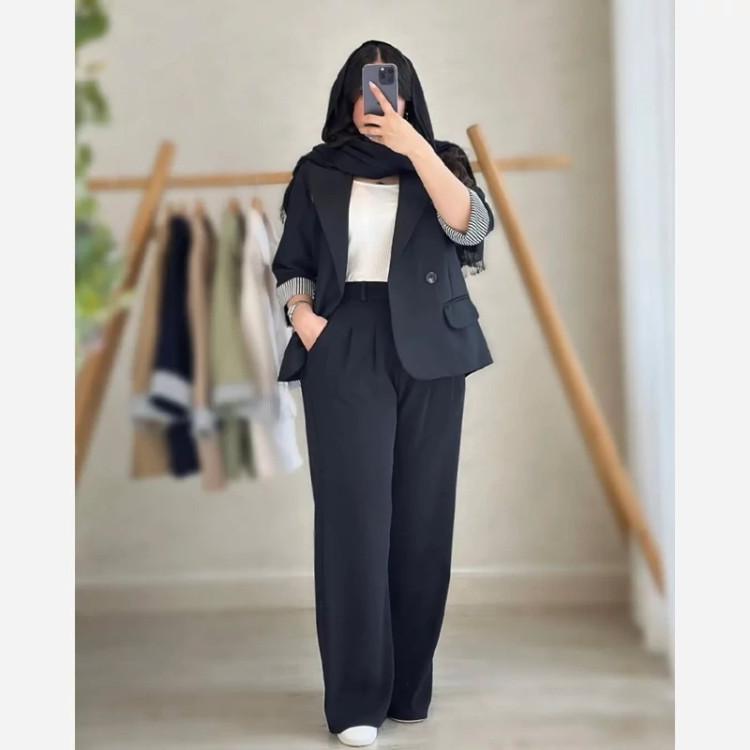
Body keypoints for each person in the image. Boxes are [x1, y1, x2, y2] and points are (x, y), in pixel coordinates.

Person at [271, 40, 495, 747]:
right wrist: (305, 321)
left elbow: (472, 228)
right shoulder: (317, 170)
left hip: (432, 346)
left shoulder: (441, 162)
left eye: (390, 86)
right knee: (353, 524)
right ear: (349, 94)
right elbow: (292, 263)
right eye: (367, 85)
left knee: (423, 522)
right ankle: (355, 701)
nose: (379, 98)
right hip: (346, 340)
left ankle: (407, 687)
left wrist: (413, 145)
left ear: (407, 94)